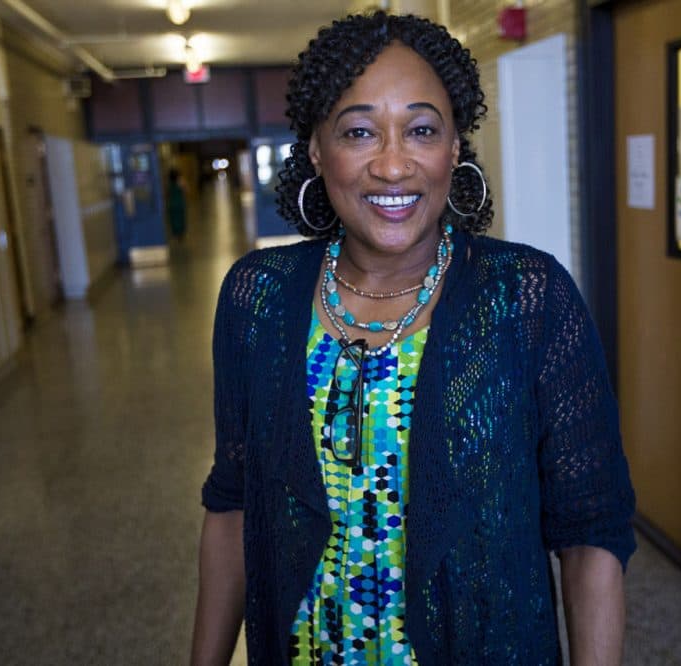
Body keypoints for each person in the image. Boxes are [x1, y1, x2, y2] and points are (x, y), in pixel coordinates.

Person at [191, 11, 635, 666]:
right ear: (317, 148)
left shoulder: (525, 298)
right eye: (360, 131)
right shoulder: (256, 298)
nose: (393, 165)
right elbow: (232, 504)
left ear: (454, 147)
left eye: (422, 129)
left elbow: (590, 530)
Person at [167, 168, 187, 240]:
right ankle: (180, 234)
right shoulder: (180, 182)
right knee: (180, 219)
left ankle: (176, 233)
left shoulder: (169, 183)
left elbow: (167, 194)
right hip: (179, 203)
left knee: (174, 219)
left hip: (172, 203)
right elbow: (186, 190)